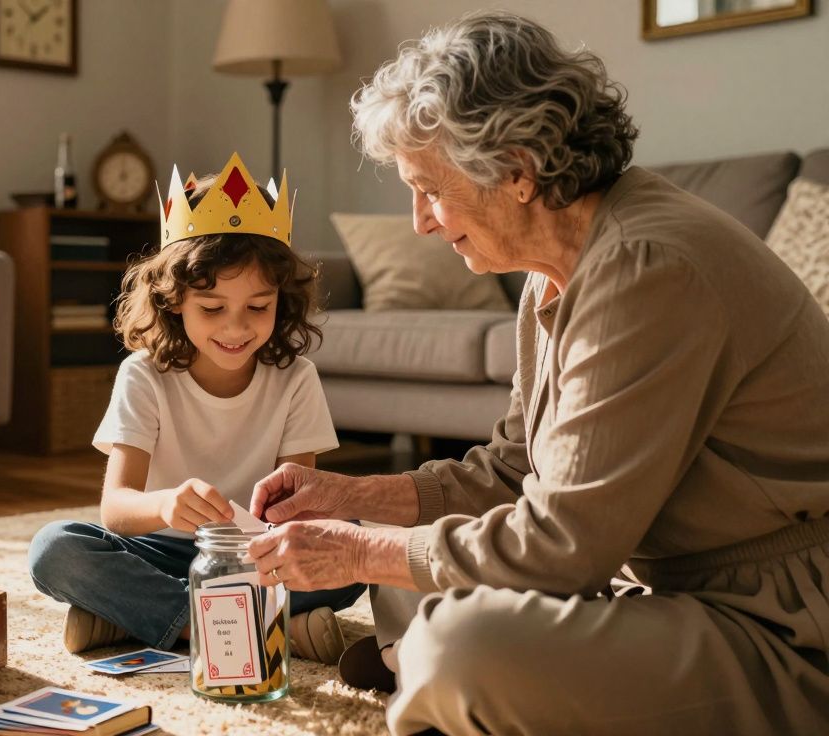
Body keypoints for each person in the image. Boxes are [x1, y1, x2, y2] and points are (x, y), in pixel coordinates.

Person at [245, 11, 829, 735]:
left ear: (517, 170)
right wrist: (349, 494)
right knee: (412, 560)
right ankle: (427, 670)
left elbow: (562, 548)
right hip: (644, 583)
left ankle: (426, 671)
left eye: (429, 187)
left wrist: (357, 550)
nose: (421, 220)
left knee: (456, 644)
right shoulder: (552, 272)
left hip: (781, 621)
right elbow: (517, 468)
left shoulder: (647, 269)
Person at [29, 153, 366, 664]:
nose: (236, 329)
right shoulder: (144, 375)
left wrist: (287, 534)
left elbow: (296, 511)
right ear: (173, 302)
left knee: (355, 551)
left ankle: (128, 618)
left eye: (258, 307)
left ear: (283, 301)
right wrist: (166, 505)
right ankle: (245, 627)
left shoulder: (297, 379)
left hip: (252, 557)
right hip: (158, 553)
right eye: (212, 309)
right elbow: (116, 510)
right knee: (54, 548)